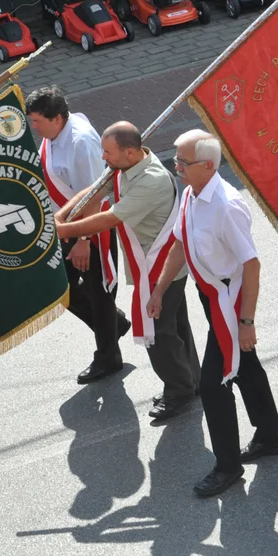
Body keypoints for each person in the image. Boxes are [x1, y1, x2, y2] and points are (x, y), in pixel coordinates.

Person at [146, 130, 278, 498]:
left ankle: (227, 466)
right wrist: (159, 289)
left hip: (231, 300)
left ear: (207, 166)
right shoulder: (192, 193)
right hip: (211, 295)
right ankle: (271, 437)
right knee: (246, 366)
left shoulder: (226, 205)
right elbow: (180, 242)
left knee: (213, 383)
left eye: (182, 162)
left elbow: (251, 265)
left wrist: (246, 322)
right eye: (176, 159)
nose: (175, 167)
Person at [55, 121, 201, 421]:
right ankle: (191, 380)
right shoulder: (126, 167)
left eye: (107, 152)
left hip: (162, 265)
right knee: (176, 324)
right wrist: (63, 213)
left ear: (130, 152)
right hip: (153, 262)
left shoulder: (150, 180)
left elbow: (110, 218)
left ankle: (179, 390)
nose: (103, 158)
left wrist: (64, 229)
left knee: (159, 331)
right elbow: (94, 190)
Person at [27, 86, 129, 384]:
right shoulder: (54, 135)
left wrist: (84, 241)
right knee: (60, 290)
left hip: (90, 229)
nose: (33, 127)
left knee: (100, 293)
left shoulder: (81, 141)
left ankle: (108, 357)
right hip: (67, 226)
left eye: (37, 121)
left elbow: (95, 193)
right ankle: (114, 324)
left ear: (56, 118)